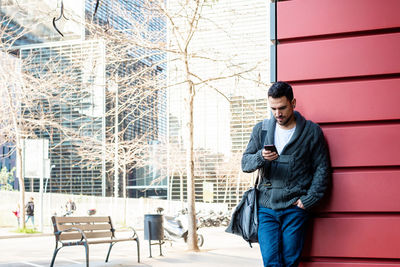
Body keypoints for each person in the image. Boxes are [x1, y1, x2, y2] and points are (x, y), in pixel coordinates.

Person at [242, 81, 331, 267]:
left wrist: (308, 200)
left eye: (282, 107)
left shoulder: (311, 132)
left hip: (294, 208)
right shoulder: (262, 129)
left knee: (290, 263)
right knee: (271, 263)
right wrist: (261, 156)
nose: (277, 114)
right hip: (266, 209)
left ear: (293, 103)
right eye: (273, 108)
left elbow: (322, 169)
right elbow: (245, 163)